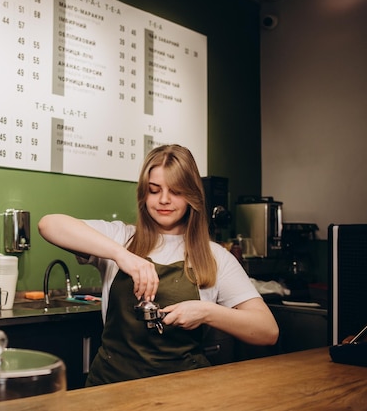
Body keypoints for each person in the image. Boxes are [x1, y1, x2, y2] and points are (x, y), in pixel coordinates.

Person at [38, 144, 279, 386]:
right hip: (110, 387)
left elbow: (267, 331)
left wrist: (206, 312)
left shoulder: (215, 257)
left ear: (192, 196)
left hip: (183, 390)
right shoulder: (120, 238)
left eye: (175, 191)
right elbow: (49, 224)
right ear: (144, 194)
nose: (164, 200)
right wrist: (122, 255)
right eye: (154, 190)